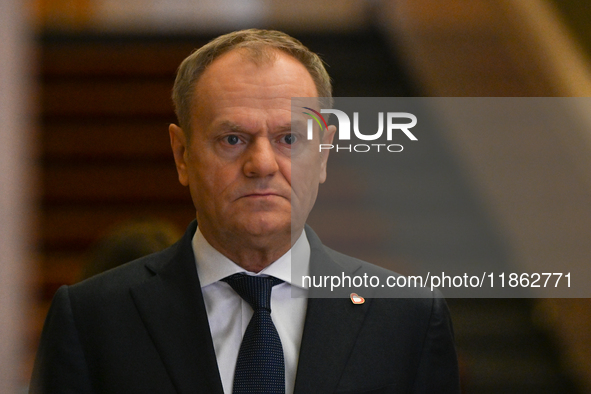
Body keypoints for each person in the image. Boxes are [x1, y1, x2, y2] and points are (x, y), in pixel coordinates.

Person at [30, 29, 460, 393]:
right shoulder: (93, 320)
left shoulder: (408, 319)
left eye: (289, 139)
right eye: (232, 139)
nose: (262, 165)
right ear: (182, 154)